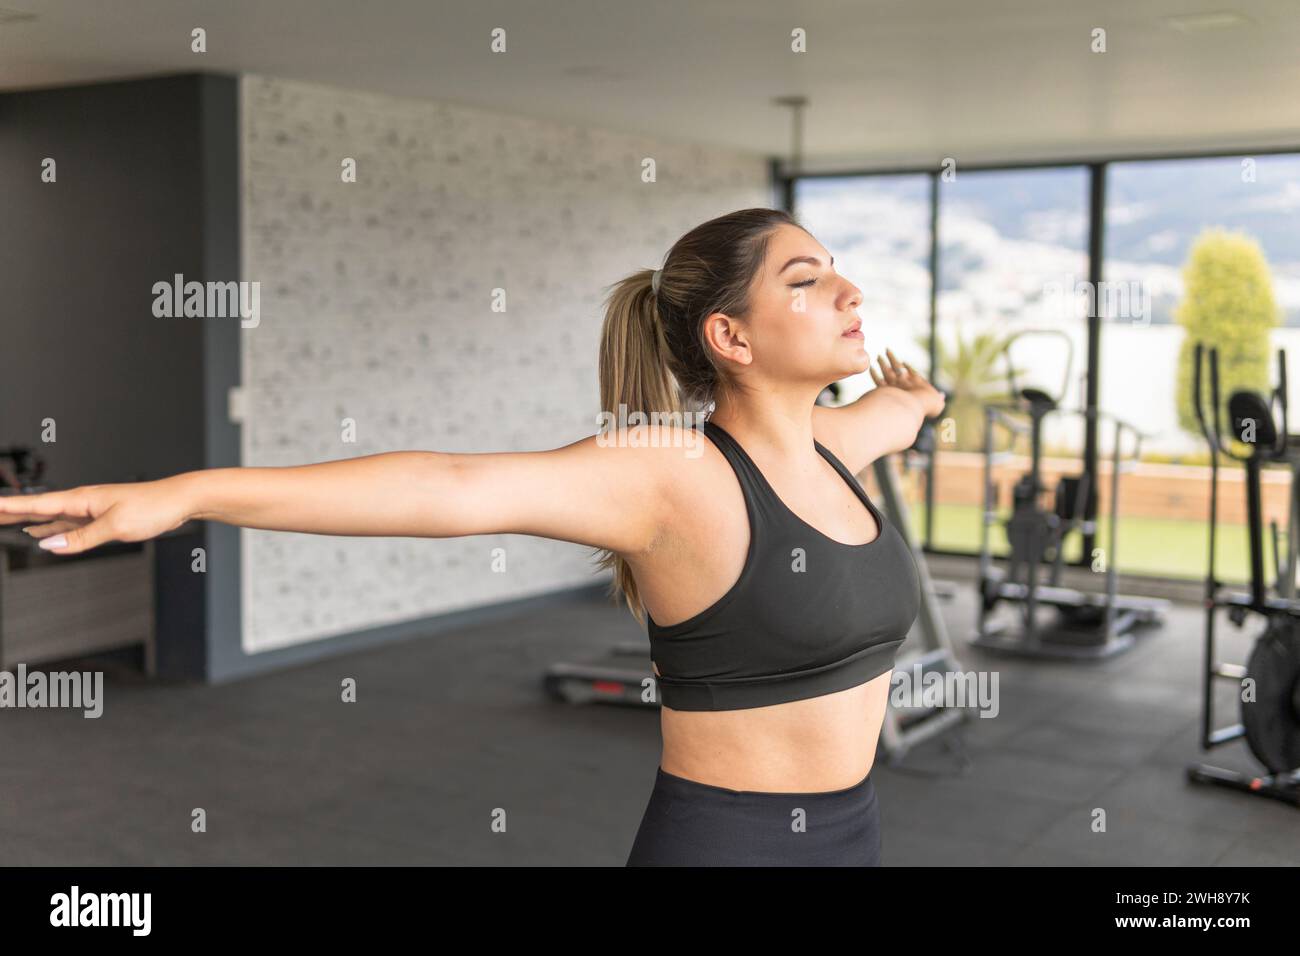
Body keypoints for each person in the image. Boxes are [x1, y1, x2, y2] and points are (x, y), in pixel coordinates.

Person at [0, 206, 945, 866]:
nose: (849, 291)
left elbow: (900, 413)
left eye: (839, 270)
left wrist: (919, 398)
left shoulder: (834, 446)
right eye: (808, 279)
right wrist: (185, 494)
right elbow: (447, 484)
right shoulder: (670, 473)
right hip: (732, 845)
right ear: (730, 339)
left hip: (853, 834)